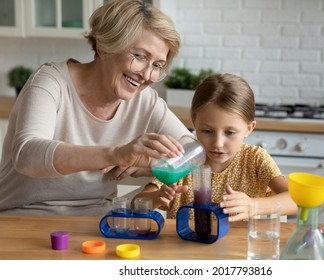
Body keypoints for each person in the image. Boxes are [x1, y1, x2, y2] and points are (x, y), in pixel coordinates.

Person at [0, 0, 193, 216]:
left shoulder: (145, 101)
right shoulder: (50, 81)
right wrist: (115, 155)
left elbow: (194, 150)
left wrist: (151, 167)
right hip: (22, 217)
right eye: (139, 56)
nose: (148, 75)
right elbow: (27, 155)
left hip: (97, 223)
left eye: (157, 65)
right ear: (104, 47)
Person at [133, 73, 297, 222]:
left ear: (249, 128)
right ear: (194, 121)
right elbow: (135, 204)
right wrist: (156, 197)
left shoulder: (255, 159)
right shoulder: (182, 157)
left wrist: (254, 206)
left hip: (240, 250)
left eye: (230, 132)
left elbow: (296, 201)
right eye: (207, 131)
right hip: (188, 247)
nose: (218, 143)